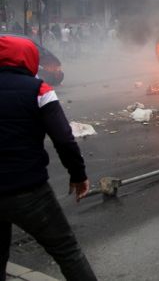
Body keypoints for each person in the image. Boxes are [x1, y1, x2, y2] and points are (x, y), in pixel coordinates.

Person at [0, 35, 97, 281]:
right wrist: (78, 175)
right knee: (67, 251)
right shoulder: (39, 89)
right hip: (28, 190)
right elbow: (64, 139)